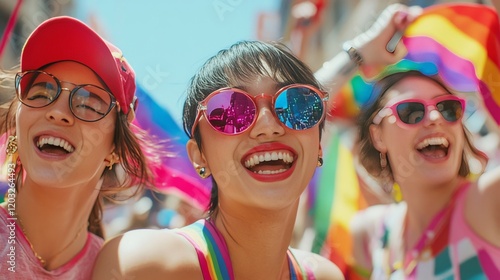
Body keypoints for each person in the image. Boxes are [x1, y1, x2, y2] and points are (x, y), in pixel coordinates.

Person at [92, 39, 345, 279]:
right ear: (199, 156)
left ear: (319, 146)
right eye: (231, 111)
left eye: (296, 106)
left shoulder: (325, 275)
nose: (268, 126)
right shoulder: (144, 265)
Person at [0, 16, 157, 279]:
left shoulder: (121, 271)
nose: (59, 112)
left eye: (89, 104)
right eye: (41, 92)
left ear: (115, 149)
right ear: (17, 122)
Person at [349, 70, 500, 279]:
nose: (435, 118)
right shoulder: (372, 232)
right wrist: (355, 58)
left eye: (448, 109)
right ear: (378, 136)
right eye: (411, 111)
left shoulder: (488, 201)